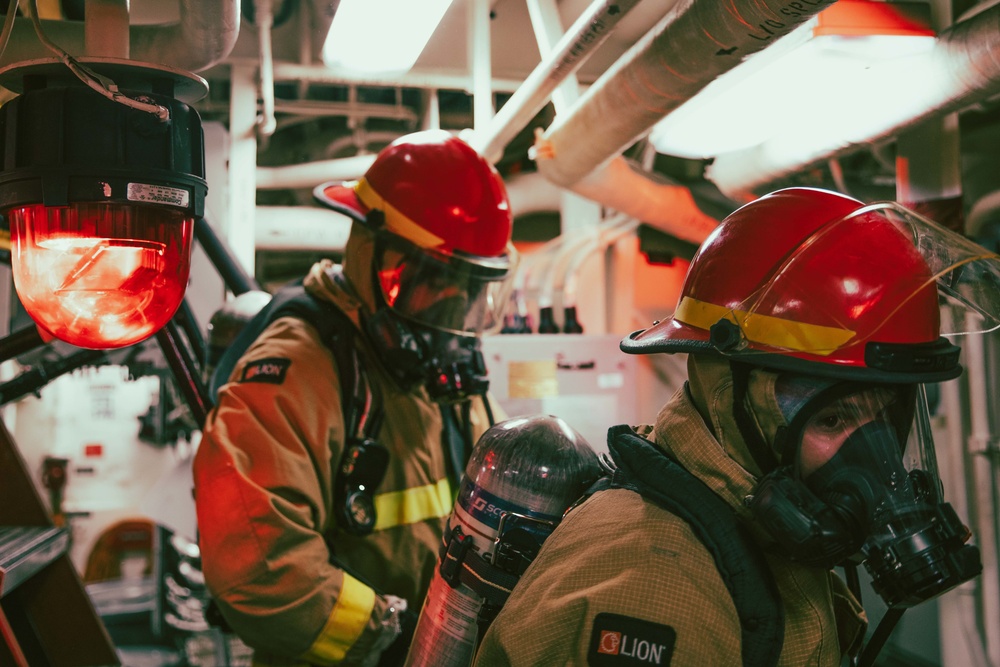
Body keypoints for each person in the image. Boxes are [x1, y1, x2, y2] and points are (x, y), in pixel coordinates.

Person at [473, 187, 999, 667]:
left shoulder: (756, 534)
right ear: (729, 397)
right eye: (834, 417)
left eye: (887, 418)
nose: (870, 464)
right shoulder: (653, 587)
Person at [193, 129, 518, 666]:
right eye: (436, 277)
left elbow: (508, 486)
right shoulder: (296, 370)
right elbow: (261, 571)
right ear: (371, 253)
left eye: (470, 287)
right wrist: (392, 641)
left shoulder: (440, 373)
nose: (454, 306)